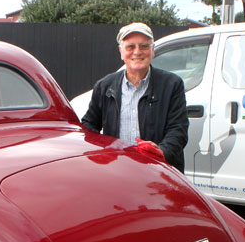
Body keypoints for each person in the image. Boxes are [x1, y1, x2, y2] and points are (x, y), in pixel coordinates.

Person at [81, 22, 189, 173]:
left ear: (153, 51)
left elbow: (178, 130)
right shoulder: (104, 86)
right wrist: (101, 152)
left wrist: (162, 151)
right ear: (121, 52)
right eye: (130, 47)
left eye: (144, 46)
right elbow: (88, 125)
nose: (137, 52)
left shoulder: (172, 85)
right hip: (117, 170)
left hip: (160, 171)